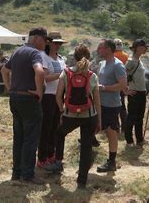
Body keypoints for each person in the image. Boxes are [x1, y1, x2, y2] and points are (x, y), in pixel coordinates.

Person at [45, 44, 101, 189]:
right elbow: (97, 101)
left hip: (70, 114)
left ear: (74, 57)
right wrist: (98, 120)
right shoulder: (92, 76)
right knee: (86, 146)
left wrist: (62, 110)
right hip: (89, 115)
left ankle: (58, 163)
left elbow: (58, 96)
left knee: (59, 133)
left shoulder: (66, 73)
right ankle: (82, 180)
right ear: (88, 57)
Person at [1, 27, 46, 185]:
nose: (45, 43)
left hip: (15, 98)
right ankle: (28, 174)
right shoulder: (34, 53)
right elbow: (39, 72)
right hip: (29, 99)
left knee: (18, 137)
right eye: (44, 39)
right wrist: (39, 91)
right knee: (30, 138)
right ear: (36, 39)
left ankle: (17, 173)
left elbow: (4, 70)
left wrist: (9, 88)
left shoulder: (17, 52)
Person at [96, 39, 127, 172]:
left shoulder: (118, 65)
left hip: (111, 104)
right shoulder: (102, 63)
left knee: (111, 132)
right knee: (99, 128)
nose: (99, 50)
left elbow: (122, 85)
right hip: (100, 103)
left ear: (108, 49)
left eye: (101, 47)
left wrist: (103, 88)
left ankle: (112, 161)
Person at [37, 32, 66, 168]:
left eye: (59, 43)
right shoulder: (43, 57)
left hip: (58, 96)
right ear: (49, 42)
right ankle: (42, 157)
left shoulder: (60, 58)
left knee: (55, 127)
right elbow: (45, 78)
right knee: (45, 127)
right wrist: (60, 75)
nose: (58, 45)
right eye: (55, 43)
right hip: (48, 95)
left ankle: (51, 153)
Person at [124, 39, 149, 147]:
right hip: (134, 93)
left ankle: (139, 139)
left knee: (139, 117)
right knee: (132, 117)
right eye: (144, 46)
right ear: (138, 47)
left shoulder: (138, 60)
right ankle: (129, 140)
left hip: (141, 92)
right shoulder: (130, 61)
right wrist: (126, 90)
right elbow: (122, 76)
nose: (146, 49)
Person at [114, 38, 129, 133]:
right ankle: (125, 126)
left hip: (114, 84)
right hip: (124, 83)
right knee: (123, 105)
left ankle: (116, 126)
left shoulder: (112, 56)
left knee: (114, 106)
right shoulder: (126, 56)